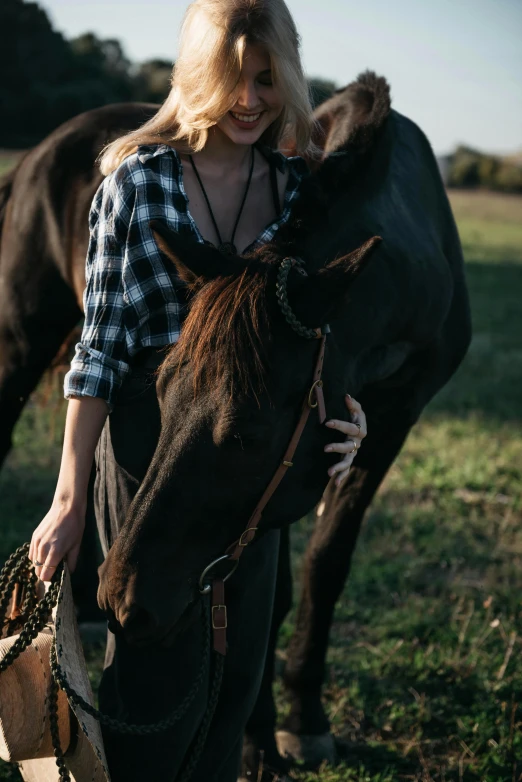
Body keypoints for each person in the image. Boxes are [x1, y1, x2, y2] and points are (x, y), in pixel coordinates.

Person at [29, 0, 368, 778]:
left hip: (249, 475)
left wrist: (349, 424)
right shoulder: (139, 184)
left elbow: (313, 348)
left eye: (265, 78)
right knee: (151, 690)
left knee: (232, 699)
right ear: (195, 78)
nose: (249, 99)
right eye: (229, 78)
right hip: (152, 461)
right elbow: (100, 349)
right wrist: (70, 497)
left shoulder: (298, 193)